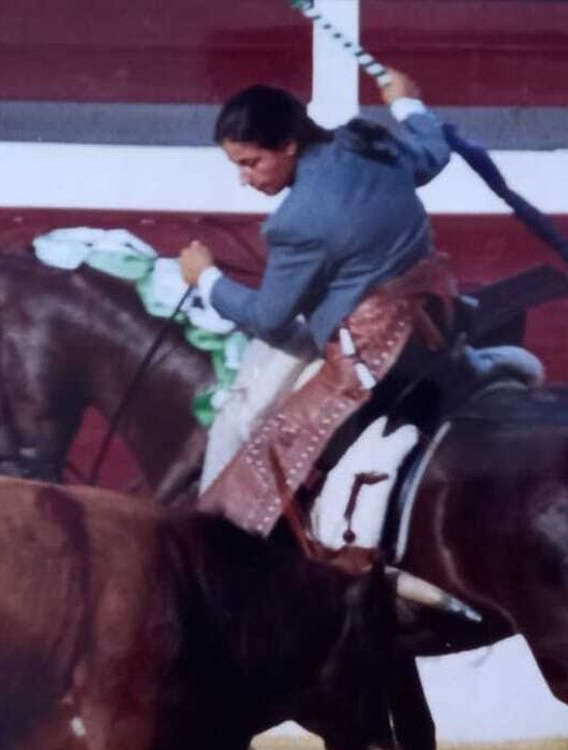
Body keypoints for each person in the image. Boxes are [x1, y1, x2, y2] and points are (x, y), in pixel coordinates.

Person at [179, 71, 459, 536]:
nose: (245, 180)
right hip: (437, 312)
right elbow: (434, 153)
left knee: (253, 437)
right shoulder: (369, 147)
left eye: (251, 163)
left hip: (374, 349)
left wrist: (206, 279)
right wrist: (407, 104)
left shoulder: (297, 221)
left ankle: (218, 539)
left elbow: (269, 318)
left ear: (288, 145)